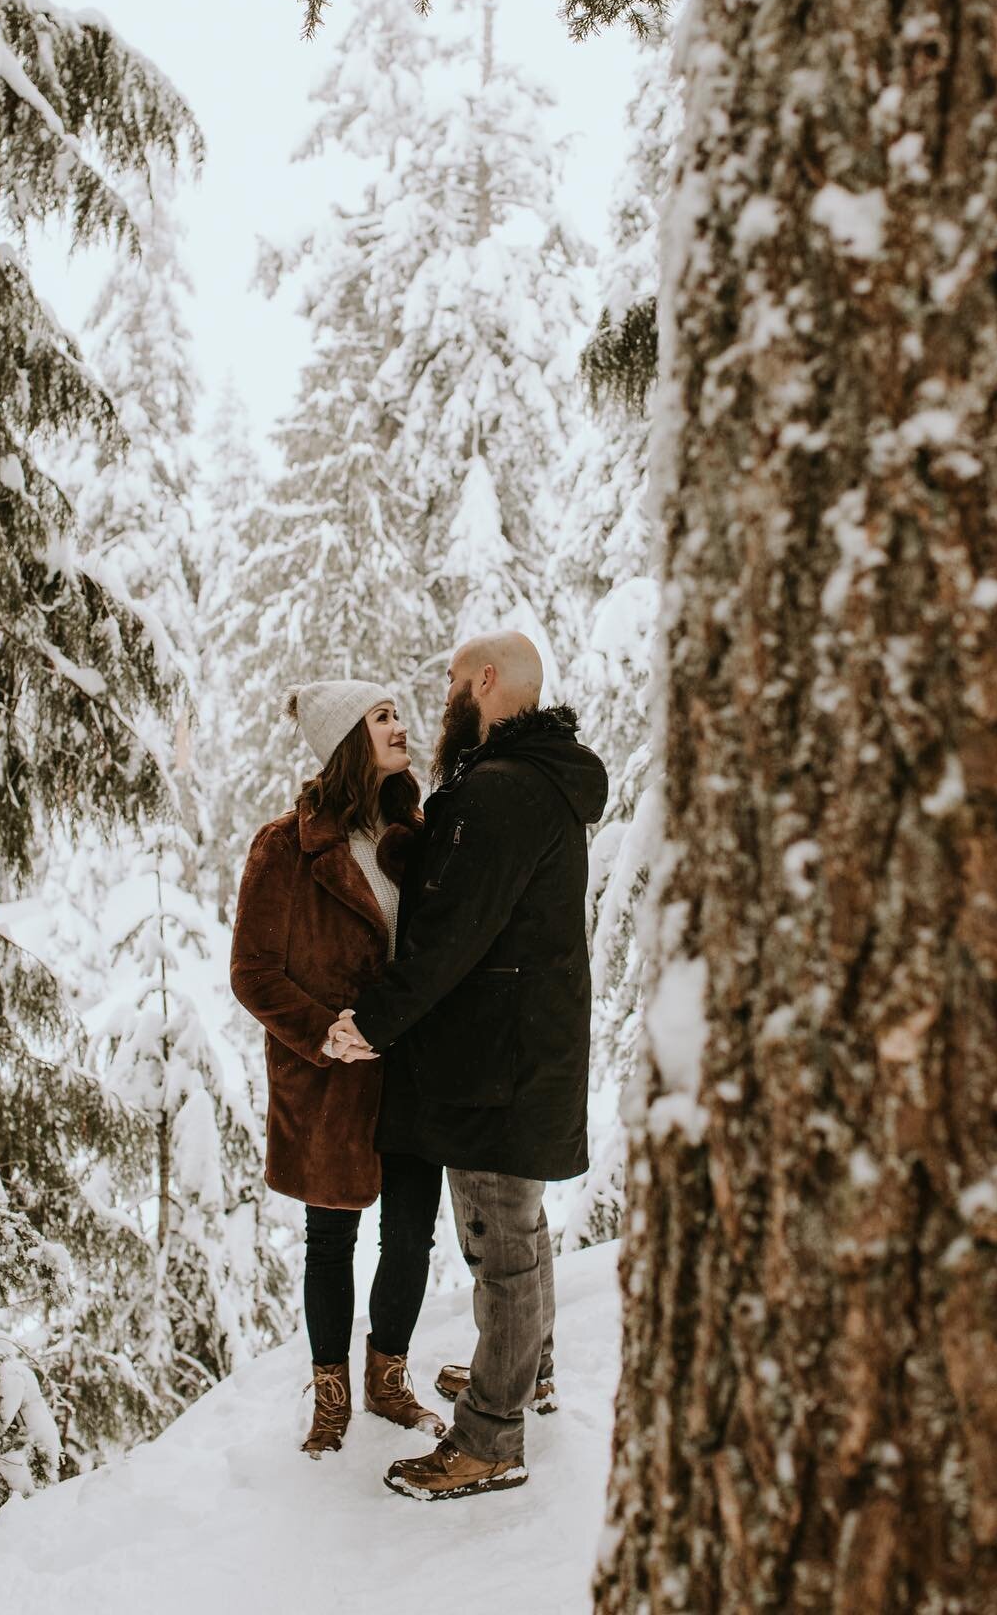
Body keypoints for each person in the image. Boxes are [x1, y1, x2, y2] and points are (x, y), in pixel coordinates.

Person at [329, 632, 608, 1501]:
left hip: (499, 1060)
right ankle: (528, 1374)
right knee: (518, 1230)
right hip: (522, 1050)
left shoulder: (501, 792)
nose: (445, 693)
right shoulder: (533, 784)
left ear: (486, 682)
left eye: (455, 679)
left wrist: (372, 1021)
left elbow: (453, 935)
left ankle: (491, 1437)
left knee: (503, 1243)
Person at [230, 679, 446, 1458]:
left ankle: (389, 1378)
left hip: (415, 1067)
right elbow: (253, 973)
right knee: (332, 1239)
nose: (401, 726)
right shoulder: (285, 847)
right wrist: (324, 1035)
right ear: (347, 738)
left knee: (413, 1235)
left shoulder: (417, 833)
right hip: (329, 1080)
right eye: (383, 717)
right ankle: (331, 1395)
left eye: (396, 714)